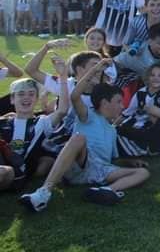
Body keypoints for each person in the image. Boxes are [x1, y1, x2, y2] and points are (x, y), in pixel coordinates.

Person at [20, 59, 151, 211]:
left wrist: (130, 162)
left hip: (102, 171)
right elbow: (75, 96)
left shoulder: (112, 129)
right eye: (119, 102)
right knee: (78, 138)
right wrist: (95, 70)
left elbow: (113, 158)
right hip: (82, 165)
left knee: (143, 173)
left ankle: (107, 190)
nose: (123, 106)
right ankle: (43, 193)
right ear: (105, 103)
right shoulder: (88, 116)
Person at [0, 73, 69, 191]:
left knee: (3, 172)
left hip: (15, 172)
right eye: (21, 94)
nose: (26, 97)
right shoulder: (4, 122)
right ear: (12, 99)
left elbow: (62, 110)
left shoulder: (42, 122)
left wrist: (63, 78)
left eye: (31, 94)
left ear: (37, 99)